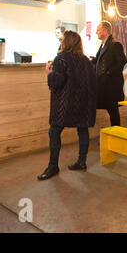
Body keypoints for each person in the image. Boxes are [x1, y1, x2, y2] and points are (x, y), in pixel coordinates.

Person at [38, 31, 97, 180]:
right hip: (84, 102)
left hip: (66, 104)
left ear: (66, 42)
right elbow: (92, 82)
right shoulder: (85, 60)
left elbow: (56, 82)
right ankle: (81, 162)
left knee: (54, 131)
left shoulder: (61, 59)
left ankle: (53, 167)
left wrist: (48, 72)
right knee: (82, 130)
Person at [93, 21, 127, 126]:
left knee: (113, 112)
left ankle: (116, 134)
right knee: (112, 111)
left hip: (111, 86)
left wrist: (108, 73)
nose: (96, 32)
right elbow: (101, 59)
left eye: (98, 30)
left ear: (105, 30)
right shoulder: (103, 45)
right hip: (104, 85)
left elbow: (122, 63)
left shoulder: (115, 44)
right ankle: (115, 133)